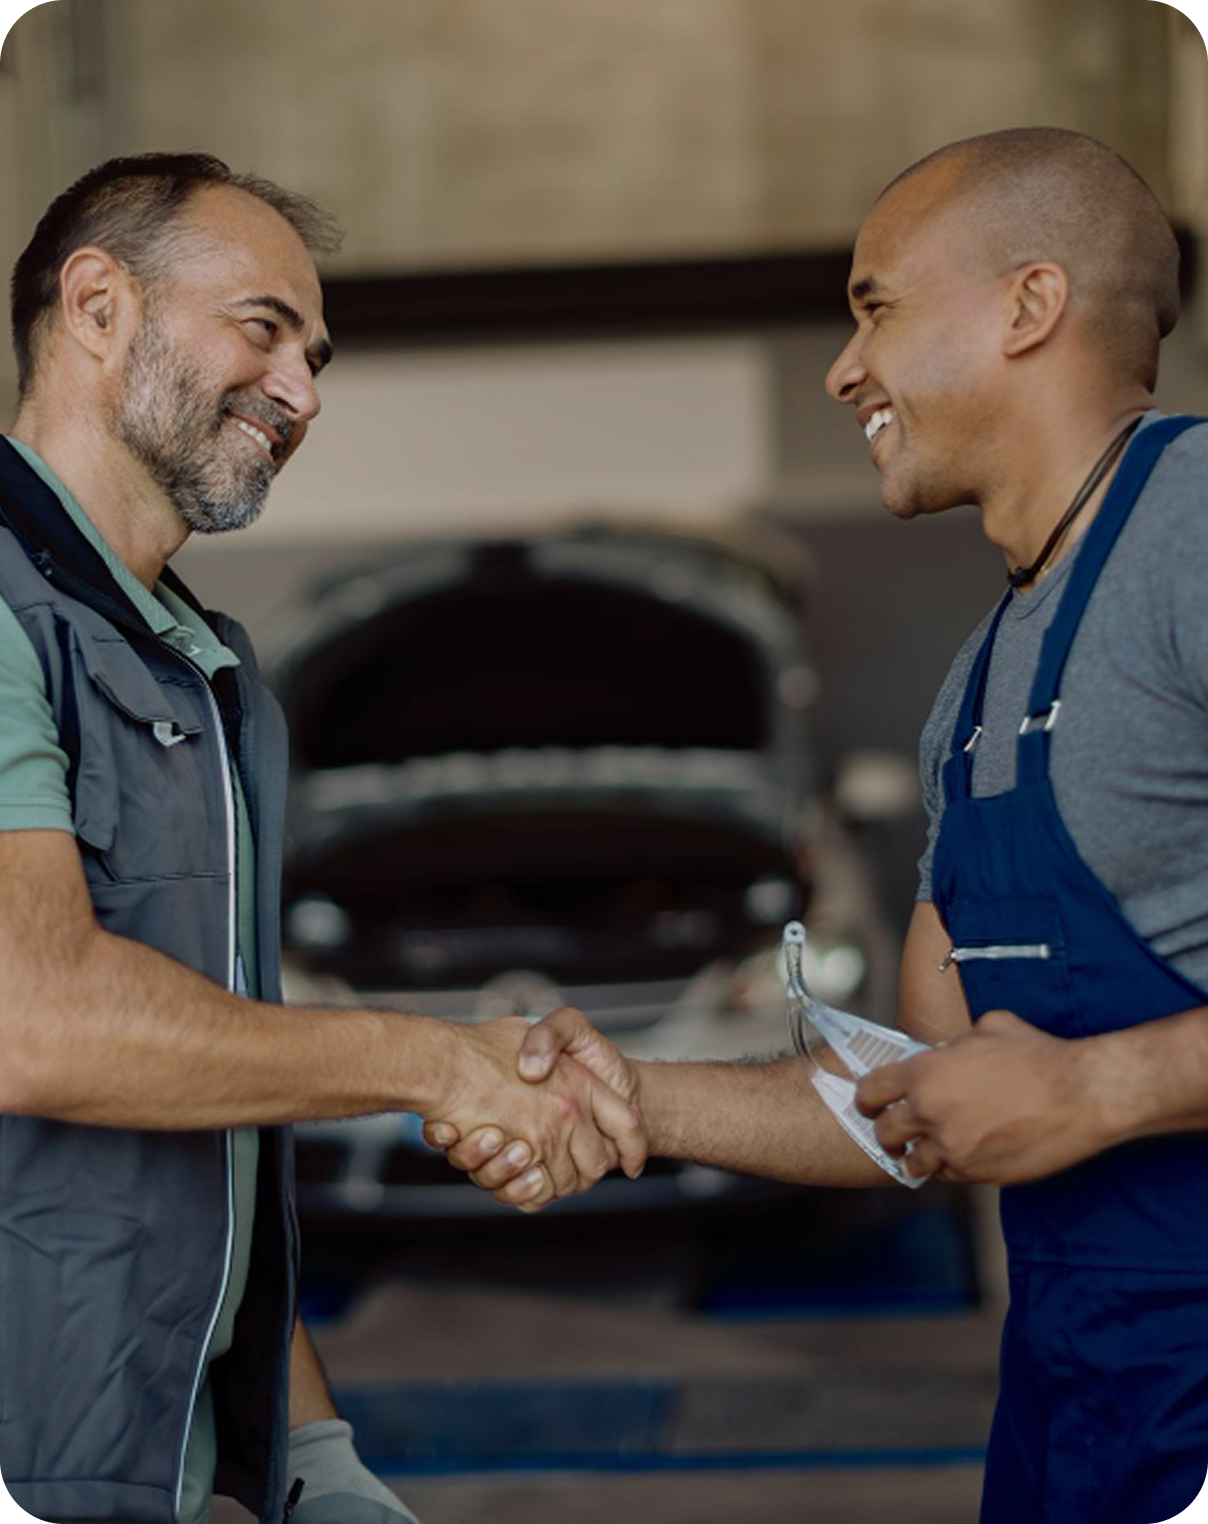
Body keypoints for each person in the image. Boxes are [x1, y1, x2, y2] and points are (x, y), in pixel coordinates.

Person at [432, 127, 1208, 1523]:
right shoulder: (975, 687)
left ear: (1029, 307)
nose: (845, 367)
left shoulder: (1199, 530)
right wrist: (632, 1095)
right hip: (1080, 1414)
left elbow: (1068, 1091)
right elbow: (908, 1089)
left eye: (875, 308)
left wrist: (1105, 1090)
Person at [0, 152, 643, 1524]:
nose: (302, 394)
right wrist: (433, 1063)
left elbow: (211, 1103)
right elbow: (35, 1020)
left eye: (318, 353)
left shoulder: (211, 678)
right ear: (99, 305)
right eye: (263, 329)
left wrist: (311, 1455)